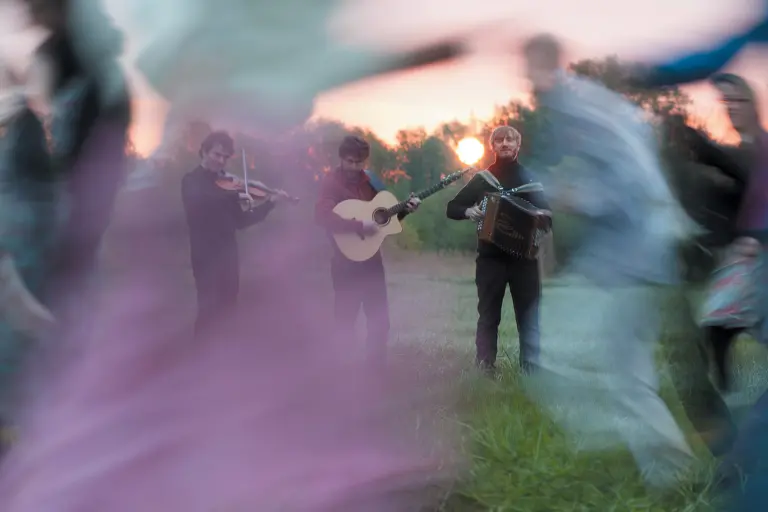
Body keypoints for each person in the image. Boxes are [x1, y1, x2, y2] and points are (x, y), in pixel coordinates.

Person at [520, 34, 696, 490]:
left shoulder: (578, 110)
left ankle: (650, 462)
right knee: (623, 368)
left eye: (530, 68)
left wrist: (576, 196)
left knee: (568, 355)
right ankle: (666, 470)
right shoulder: (588, 105)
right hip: (638, 252)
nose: (526, 80)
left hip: (632, 255)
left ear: (546, 65)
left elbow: (628, 186)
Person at [445, 126, 549, 374]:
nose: (504, 144)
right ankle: (485, 368)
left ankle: (531, 370)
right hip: (490, 259)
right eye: (499, 140)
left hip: (524, 261)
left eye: (510, 139)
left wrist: (539, 225)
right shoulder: (483, 179)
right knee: (488, 316)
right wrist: (469, 211)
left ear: (517, 145)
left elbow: (547, 217)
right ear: (492, 146)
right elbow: (452, 207)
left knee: (529, 318)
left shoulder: (531, 181)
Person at [315, 135, 420, 365]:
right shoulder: (331, 182)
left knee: (379, 322)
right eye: (350, 161)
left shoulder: (371, 181)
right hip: (344, 263)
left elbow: (384, 218)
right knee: (345, 321)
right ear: (341, 158)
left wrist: (405, 210)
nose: (355, 166)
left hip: (372, 262)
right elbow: (322, 216)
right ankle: (342, 374)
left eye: (359, 162)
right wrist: (360, 225)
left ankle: (375, 375)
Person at [182, 131, 289, 337]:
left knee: (228, 312)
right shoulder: (190, 181)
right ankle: (200, 363)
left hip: (228, 257)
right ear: (204, 151)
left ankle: (226, 361)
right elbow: (199, 203)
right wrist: (234, 193)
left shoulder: (228, 186)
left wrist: (270, 203)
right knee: (207, 312)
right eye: (216, 154)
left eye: (225, 157)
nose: (220, 160)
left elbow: (241, 221)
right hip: (205, 258)